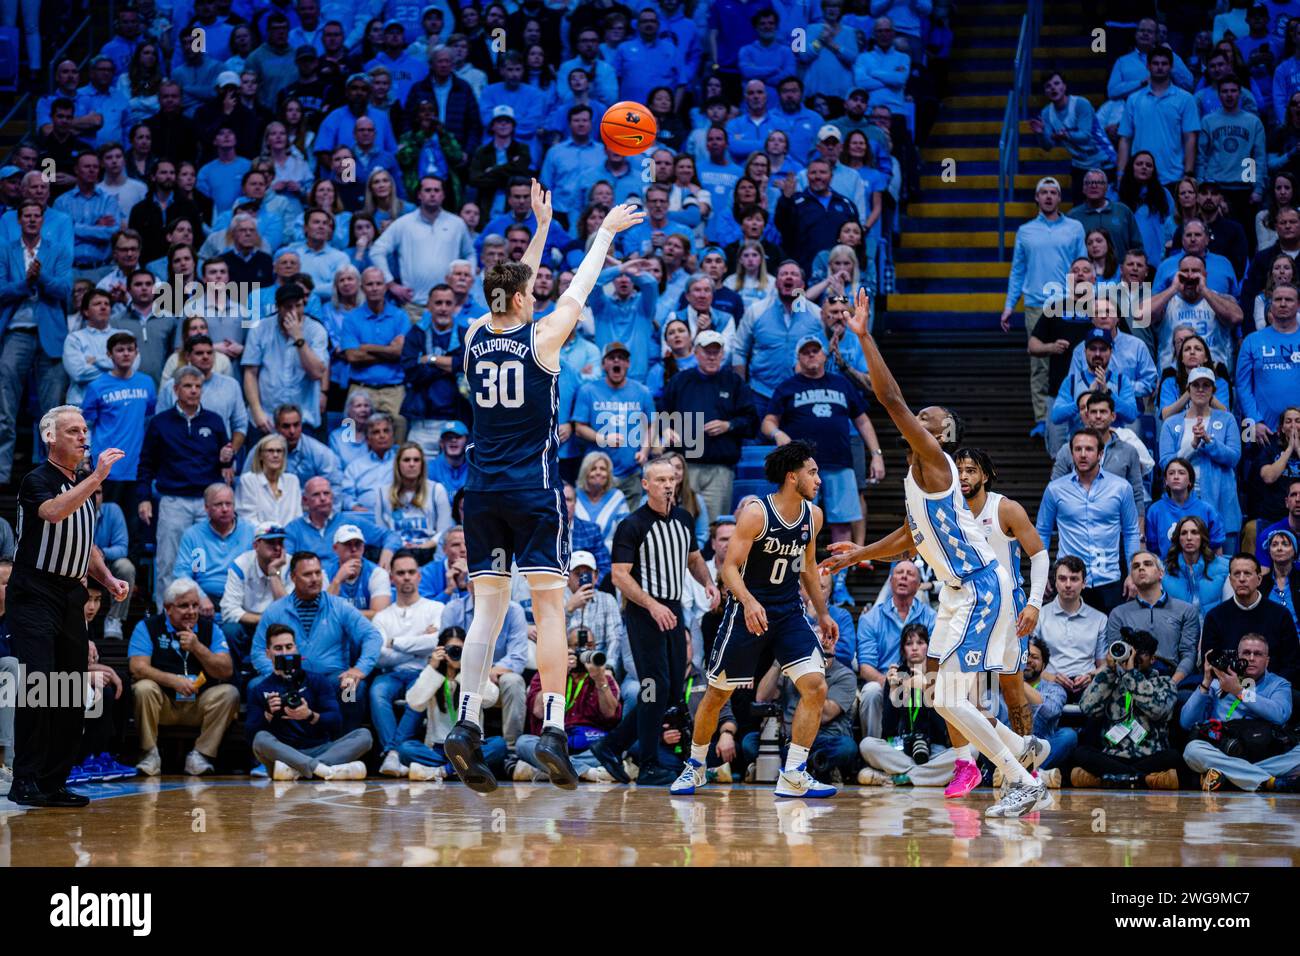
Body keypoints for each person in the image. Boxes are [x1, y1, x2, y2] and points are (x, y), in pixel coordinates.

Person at [443, 184, 644, 793]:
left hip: (479, 493)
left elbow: (511, 284)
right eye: (531, 291)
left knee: (488, 611)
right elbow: (579, 285)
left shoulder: (476, 333)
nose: (537, 294)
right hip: (532, 491)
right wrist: (604, 231)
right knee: (549, 607)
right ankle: (554, 728)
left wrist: (539, 229)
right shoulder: (546, 336)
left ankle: (465, 723)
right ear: (525, 298)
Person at [822, 292, 1049, 817]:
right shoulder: (915, 479)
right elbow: (909, 535)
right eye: (921, 415)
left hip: (978, 587)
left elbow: (891, 399)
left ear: (939, 432)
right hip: (953, 594)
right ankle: (1019, 754)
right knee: (941, 696)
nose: (919, 417)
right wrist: (859, 554)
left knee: (947, 697)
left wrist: (863, 335)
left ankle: (1019, 776)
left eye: (929, 417)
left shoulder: (936, 462)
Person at [666, 441, 832, 797]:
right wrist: (749, 602)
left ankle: (794, 774)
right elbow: (728, 568)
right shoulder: (757, 512)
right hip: (747, 612)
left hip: (789, 612)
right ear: (792, 476)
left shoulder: (813, 516)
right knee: (716, 694)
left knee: (816, 686)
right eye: (812, 472)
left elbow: (807, 567)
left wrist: (823, 612)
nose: (819, 479)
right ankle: (695, 766)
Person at [4, 407, 130, 808]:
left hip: (71, 596)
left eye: (84, 429)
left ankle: (53, 781)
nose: (83, 436)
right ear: (50, 439)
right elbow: (53, 514)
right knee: (39, 685)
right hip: (35, 591)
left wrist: (107, 579)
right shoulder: (37, 480)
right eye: (72, 431)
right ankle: (24, 780)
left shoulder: (82, 487)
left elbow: (85, 543)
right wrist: (96, 478)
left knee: (71, 692)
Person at [955, 447, 1051, 743]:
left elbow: (1040, 555)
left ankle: (1028, 766)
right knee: (956, 694)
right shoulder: (948, 511)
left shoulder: (1006, 509)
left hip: (1008, 607)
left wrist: (1034, 604)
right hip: (967, 607)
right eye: (957, 471)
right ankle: (978, 760)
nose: (963, 476)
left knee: (1012, 690)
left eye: (970, 470)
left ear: (985, 475)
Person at [762, 335, 879, 543]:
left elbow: (863, 421)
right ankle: (797, 568)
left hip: (840, 461)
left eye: (815, 351)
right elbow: (768, 422)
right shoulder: (787, 387)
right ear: (798, 357)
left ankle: (840, 574)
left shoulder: (841, 384)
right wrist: (778, 433)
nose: (811, 355)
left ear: (824, 355)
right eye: (806, 352)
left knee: (842, 522)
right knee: (798, 520)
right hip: (800, 466)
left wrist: (876, 455)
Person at [251, 551, 385, 730]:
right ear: (293, 577)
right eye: (307, 574)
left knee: (352, 689)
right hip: (288, 678)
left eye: (317, 572)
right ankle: (263, 751)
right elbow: (259, 651)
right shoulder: (275, 611)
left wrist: (359, 669)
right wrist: (275, 675)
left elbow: (372, 636)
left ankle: (345, 742)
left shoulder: (339, 606)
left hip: (331, 679)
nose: (314, 579)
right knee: (255, 686)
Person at [999, 177, 1087, 437]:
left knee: (1070, 358)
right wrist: (1008, 306)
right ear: (1037, 198)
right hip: (1037, 302)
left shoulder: (1075, 227)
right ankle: (1042, 418)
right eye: (1044, 193)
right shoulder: (1025, 231)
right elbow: (1018, 270)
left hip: (1066, 303)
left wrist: (1082, 299)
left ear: (1060, 198)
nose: (1048, 197)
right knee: (1039, 364)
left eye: (1053, 193)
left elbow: (1082, 266)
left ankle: (1071, 412)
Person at [128, 576, 239, 777]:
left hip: (199, 704)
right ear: (168, 607)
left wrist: (198, 648)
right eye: (184, 606)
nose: (192, 612)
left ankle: (200, 755)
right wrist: (173, 681)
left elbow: (226, 670)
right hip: (164, 704)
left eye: (195, 605)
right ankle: (149, 753)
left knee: (229, 693)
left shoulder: (210, 628)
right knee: (143, 688)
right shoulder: (148, 627)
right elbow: (137, 667)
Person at [0, 202, 73, 487]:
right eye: (27, 216)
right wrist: (24, 282)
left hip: (51, 336)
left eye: (36, 216)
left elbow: (65, 289)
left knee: (52, 411)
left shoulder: (58, 250)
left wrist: (40, 278)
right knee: (4, 407)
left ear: (43, 220)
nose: (32, 220)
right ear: (19, 220)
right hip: (16, 333)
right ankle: (2, 473)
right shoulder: (6, 250)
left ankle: (50, 476)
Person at [247, 623, 372, 781]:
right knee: (261, 739)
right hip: (284, 753)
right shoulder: (259, 688)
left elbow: (337, 722)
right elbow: (251, 735)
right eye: (278, 648)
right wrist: (268, 714)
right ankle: (325, 770)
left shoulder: (317, 680)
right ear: (268, 653)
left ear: (296, 649)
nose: (285, 653)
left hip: (319, 749)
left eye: (289, 646)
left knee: (364, 735)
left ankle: (302, 770)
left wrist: (310, 715)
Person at [1036, 428, 1141, 613]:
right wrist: (1041, 574)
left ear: (1101, 454)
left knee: (1111, 638)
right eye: (1078, 449)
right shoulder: (1055, 489)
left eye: (1089, 449)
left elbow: (1132, 532)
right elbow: (1042, 532)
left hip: (1109, 577)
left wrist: (1133, 572)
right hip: (1070, 578)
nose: (1083, 454)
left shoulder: (1121, 488)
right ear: (1072, 453)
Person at [659, 329, 757, 524]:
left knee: (715, 524)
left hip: (720, 468)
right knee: (680, 522)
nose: (712, 357)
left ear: (722, 354)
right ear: (696, 353)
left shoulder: (734, 382)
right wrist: (665, 428)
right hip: (685, 467)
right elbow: (661, 413)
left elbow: (752, 422)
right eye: (707, 351)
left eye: (716, 352)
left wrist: (728, 425)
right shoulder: (680, 380)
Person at [1180, 633, 1300, 792]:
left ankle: (1232, 777)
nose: (1251, 658)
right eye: (1246, 653)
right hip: (1226, 751)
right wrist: (1206, 681)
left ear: (1267, 661)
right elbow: (1186, 722)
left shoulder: (1279, 684)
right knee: (1192, 751)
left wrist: (1239, 691)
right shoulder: (1217, 684)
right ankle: (1266, 781)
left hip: (1266, 751)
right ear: (1237, 656)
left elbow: (1279, 715)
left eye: (1257, 654)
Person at [1067, 627, 1181, 789]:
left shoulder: (1164, 682)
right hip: (1114, 755)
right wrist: (1108, 670)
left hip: (1150, 755)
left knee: (1173, 757)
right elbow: (1087, 708)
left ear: (1153, 658)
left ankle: (1113, 778)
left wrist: (1131, 675)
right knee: (1081, 752)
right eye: (1130, 651)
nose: (1134, 657)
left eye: (1140, 653)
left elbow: (1158, 710)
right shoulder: (1112, 680)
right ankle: (1139, 779)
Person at [514, 625, 624, 782]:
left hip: (589, 745)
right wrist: (559, 673)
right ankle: (587, 772)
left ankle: (548, 770)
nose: (583, 651)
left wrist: (600, 681)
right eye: (577, 646)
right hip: (553, 744)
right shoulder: (548, 672)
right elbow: (538, 711)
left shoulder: (603, 675)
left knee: (616, 748)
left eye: (589, 646)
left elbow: (610, 715)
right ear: (566, 648)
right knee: (523, 743)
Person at [370, 550, 445, 777]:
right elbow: (379, 657)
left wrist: (395, 642)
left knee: (420, 692)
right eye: (400, 573)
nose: (406, 577)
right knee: (376, 692)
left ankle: (393, 753)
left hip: (424, 671)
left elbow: (435, 644)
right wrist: (417, 646)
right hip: (391, 673)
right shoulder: (381, 617)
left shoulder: (436, 609)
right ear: (392, 578)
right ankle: (395, 752)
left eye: (411, 572)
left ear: (419, 576)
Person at [399, 626, 508, 781]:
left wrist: (468, 669)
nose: (456, 654)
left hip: (471, 746)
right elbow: (414, 702)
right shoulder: (433, 675)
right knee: (405, 749)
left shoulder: (473, 673)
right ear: (442, 650)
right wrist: (432, 667)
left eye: (461, 650)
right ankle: (464, 770)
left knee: (498, 745)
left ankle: (443, 771)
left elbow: (490, 698)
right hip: (440, 748)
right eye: (452, 649)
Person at [858, 623, 959, 787]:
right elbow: (888, 729)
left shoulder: (937, 676)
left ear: (928, 646)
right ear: (903, 649)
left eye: (920, 643)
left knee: (970, 752)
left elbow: (943, 728)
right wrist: (892, 691)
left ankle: (900, 777)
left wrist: (926, 688)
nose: (914, 648)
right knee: (867, 745)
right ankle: (931, 776)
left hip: (934, 750)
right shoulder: (897, 677)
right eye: (909, 643)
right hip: (901, 750)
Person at [81, 331, 156, 530]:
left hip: (136, 466)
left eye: (130, 349)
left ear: (136, 353)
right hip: (106, 467)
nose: (125, 354)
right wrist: (86, 455)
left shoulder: (147, 383)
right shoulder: (97, 386)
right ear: (109, 354)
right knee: (103, 526)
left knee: (135, 527)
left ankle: (131, 562)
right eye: (120, 350)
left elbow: (148, 418)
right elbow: (86, 424)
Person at [854, 559, 935, 740]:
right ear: (891, 581)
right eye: (899, 573)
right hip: (884, 681)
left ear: (919, 584)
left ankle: (930, 745)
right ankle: (875, 751)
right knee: (871, 692)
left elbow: (935, 661)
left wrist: (914, 682)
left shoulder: (931, 618)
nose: (904, 577)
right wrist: (890, 684)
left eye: (910, 574)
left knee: (939, 688)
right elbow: (865, 667)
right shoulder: (871, 619)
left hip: (920, 680)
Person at [242, 282, 330, 437]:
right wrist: (256, 412)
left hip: (304, 419)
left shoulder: (316, 330)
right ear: (278, 307)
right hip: (267, 416)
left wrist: (299, 338)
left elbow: (317, 373)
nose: (294, 312)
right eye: (288, 307)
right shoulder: (260, 328)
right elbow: (250, 373)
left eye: (298, 306)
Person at [1200, 553, 1300, 682]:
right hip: (1229, 692)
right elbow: (1210, 664)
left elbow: (1292, 664)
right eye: (1237, 574)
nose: (1242, 579)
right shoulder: (1215, 617)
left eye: (1247, 573)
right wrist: (1239, 690)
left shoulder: (1281, 615)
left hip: (1272, 691)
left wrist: (1267, 689)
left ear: (1259, 579)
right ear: (1230, 580)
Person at [1106, 550, 1201, 685]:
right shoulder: (1118, 614)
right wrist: (1133, 681)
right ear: (1131, 577)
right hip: (1131, 681)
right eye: (1136, 566)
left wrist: (1171, 685)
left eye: (1148, 564)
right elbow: (1115, 656)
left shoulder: (1186, 610)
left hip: (1173, 679)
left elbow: (1189, 654)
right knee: (1124, 704)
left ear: (1161, 574)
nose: (1141, 568)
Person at [1032, 555, 1108, 704]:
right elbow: (1029, 663)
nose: (1068, 584)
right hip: (1049, 683)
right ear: (1055, 582)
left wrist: (1092, 676)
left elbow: (1103, 665)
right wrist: (1051, 677)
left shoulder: (1099, 619)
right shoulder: (1038, 616)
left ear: (1084, 583)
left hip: (1088, 684)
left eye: (1074, 579)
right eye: (1062, 578)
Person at [173, 482, 255, 619]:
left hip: (242, 598)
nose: (224, 509)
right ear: (206, 508)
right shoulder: (193, 534)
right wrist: (200, 596)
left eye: (229, 504)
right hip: (203, 600)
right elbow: (182, 573)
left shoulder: (250, 532)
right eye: (218, 504)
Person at [219, 521, 290, 673]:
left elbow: (288, 610)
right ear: (256, 545)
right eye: (271, 542)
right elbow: (228, 611)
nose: (278, 548)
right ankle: (235, 682)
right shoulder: (241, 565)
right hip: (249, 626)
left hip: (280, 627)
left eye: (281, 542)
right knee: (230, 630)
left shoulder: (290, 565)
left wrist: (273, 573)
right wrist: (263, 619)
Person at [284, 476, 400, 565]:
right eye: (316, 495)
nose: (323, 498)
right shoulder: (293, 529)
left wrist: (387, 553)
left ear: (332, 497)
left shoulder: (351, 521)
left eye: (326, 493)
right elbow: (285, 563)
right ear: (305, 500)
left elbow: (391, 536)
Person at [323, 523, 392, 619]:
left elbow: (380, 615)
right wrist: (337, 580)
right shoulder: (324, 574)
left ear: (363, 547)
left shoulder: (377, 573)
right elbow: (322, 614)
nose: (354, 549)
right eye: (347, 544)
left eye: (358, 544)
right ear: (335, 548)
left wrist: (340, 615)